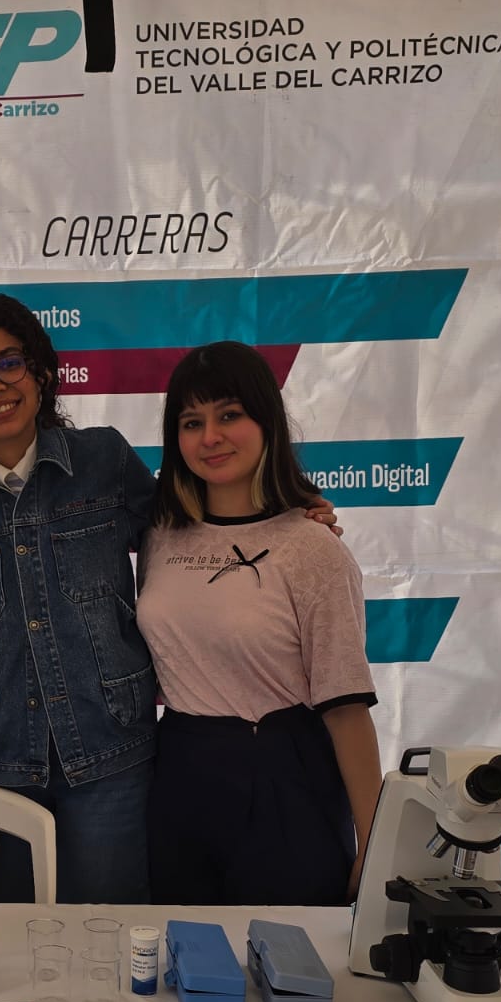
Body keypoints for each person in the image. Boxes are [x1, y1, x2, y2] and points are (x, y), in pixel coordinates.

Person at [0, 294, 337, 904]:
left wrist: (283, 515)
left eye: (9, 363)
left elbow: (189, 527)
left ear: (42, 371)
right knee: (10, 939)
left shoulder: (104, 460)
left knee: (109, 934)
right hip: (0, 757)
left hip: (111, 750)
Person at [136, 342, 382, 904]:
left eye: (229, 415)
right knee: (186, 948)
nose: (210, 437)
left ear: (267, 420)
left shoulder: (312, 547)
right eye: (191, 422)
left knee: (289, 951)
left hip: (284, 777)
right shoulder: (161, 535)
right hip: (179, 772)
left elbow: (345, 707)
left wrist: (374, 840)